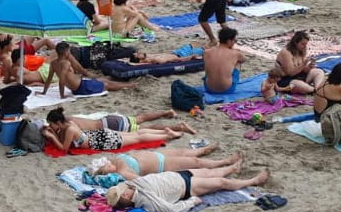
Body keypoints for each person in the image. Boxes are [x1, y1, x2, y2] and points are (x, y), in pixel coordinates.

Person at [104, 166, 270, 212]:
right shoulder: (146, 201)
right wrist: (191, 201)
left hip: (177, 175)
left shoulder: (131, 185)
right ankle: (254, 181)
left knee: (211, 172)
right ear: (125, 195)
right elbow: (169, 210)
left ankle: (233, 167)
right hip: (186, 188)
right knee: (221, 182)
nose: (123, 186)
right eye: (122, 190)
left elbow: (124, 175)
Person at [41, 106, 181, 153]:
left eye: (51, 124)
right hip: (101, 134)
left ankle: (166, 135)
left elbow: (64, 148)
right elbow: (63, 139)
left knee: (138, 137)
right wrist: (53, 132)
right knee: (137, 133)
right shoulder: (69, 123)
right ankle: (165, 132)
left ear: (58, 122)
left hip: (102, 139)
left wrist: (52, 137)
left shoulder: (70, 129)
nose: (50, 127)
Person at [41, 42, 137, 97]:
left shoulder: (54, 63)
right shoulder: (65, 64)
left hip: (80, 85)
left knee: (101, 80)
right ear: (66, 52)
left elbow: (49, 79)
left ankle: (124, 83)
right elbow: (61, 81)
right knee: (107, 85)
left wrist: (44, 92)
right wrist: (62, 96)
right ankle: (129, 85)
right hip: (81, 88)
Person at [86, 148, 238, 180]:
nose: (107, 165)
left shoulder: (115, 161)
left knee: (185, 152)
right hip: (162, 164)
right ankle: (224, 162)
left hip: (156, 154)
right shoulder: (122, 171)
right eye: (105, 168)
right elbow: (141, 180)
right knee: (194, 162)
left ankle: (204, 149)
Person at [275, 31, 326, 95]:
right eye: (302, 44)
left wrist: (309, 66)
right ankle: (314, 90)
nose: (304, 46)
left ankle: (317, 88)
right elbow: (290, 73)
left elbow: (304, 70)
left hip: (300, 77)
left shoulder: (302, 51)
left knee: (319, 71)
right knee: (297, 84)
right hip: (286, 80)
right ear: (296, 42)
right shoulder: (286, 53)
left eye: (306, 44)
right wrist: (304, 64)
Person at [203, 27, 243, 94]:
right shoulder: (235, 53)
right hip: (227, 90)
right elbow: (243, 59)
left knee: (212, 63)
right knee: (238, 62)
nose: (235, 42)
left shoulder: (207, 52)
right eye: (234, 40)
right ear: (229, 41)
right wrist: (232, 50)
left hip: (208, 88)